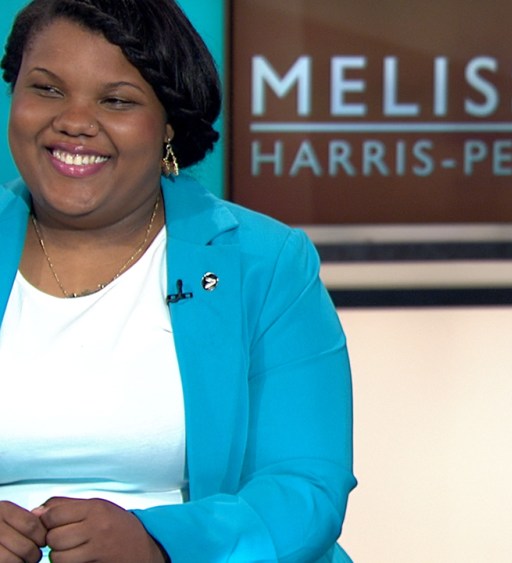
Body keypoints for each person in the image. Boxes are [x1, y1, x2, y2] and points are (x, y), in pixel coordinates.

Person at [0, 0, 355, 561]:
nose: (74, 121)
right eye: (46, 89)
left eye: (116, 100)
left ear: (168, 121)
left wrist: (158, 544)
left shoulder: (264, 263)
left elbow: (305, 486)